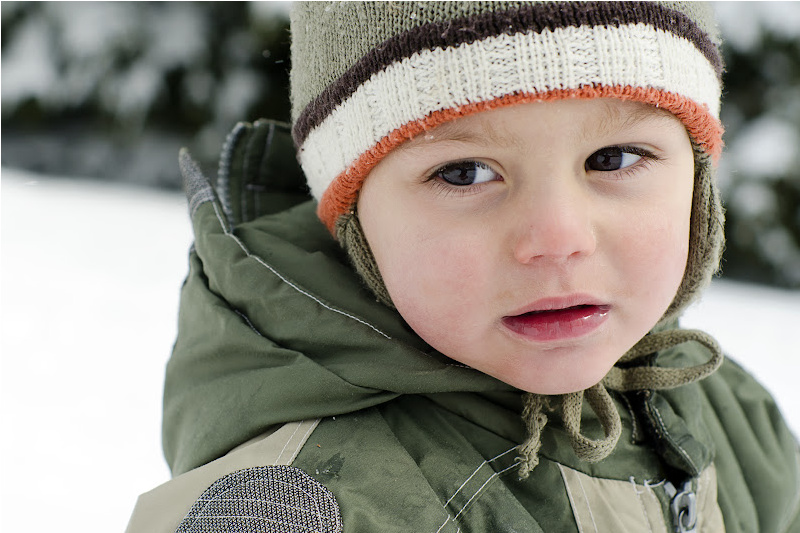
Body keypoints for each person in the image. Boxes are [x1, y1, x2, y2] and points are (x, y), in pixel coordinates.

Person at [126, 2, 800, 532]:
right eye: (464, 171)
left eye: (614, 158)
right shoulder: (305, 503)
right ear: (352, 215)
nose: (558, 238)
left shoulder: (721, 410)